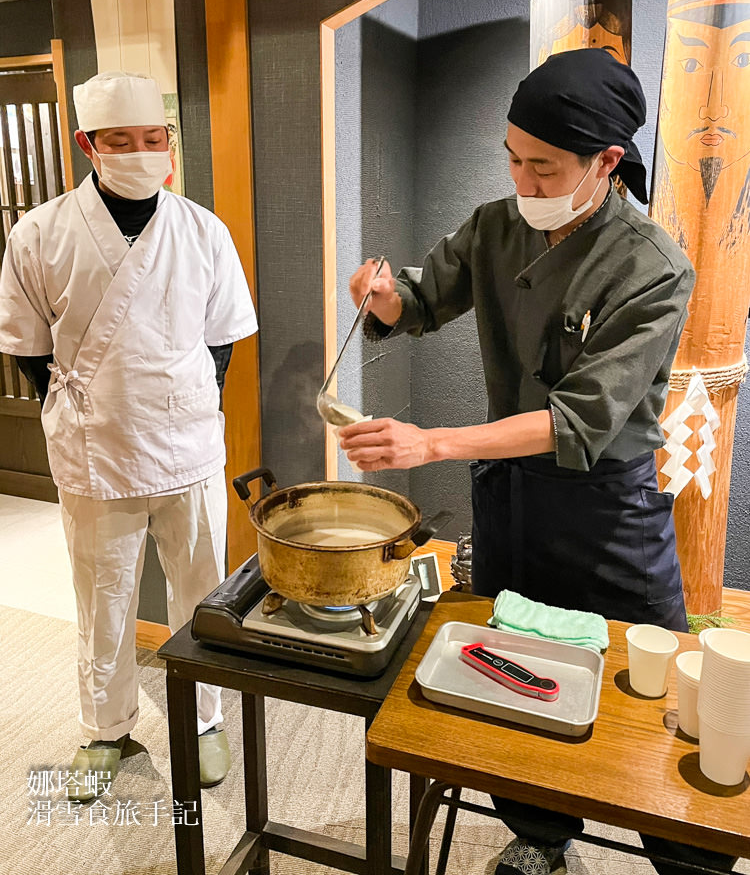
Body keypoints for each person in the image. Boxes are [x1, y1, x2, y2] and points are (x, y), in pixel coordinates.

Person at [342, 49, 736, 875]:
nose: (524, 179)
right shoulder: (496, 224)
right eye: (513, 158)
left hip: (606, 510)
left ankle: (684, 854)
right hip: (512, 500)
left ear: (607, 163)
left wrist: (433, 443)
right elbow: (423, 295)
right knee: (513, 669)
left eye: (544, 165)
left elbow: (581, 417)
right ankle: (540, 837)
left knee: (653, 694)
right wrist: (385, 298)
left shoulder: (652, 267)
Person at [0, 71, 258, 801]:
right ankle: (106, 728)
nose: (141, 151)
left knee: (203, 590)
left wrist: (177, 399)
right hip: (95, 441)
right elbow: (26, 345)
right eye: (121, 140)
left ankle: (203, 720)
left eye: (153, 138)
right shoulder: (39, 231)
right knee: (103, 597)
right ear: (89, 145)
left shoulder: (203, 228)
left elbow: (222, 342)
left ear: (168, 143)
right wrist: (84, 406)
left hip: (188, 442)